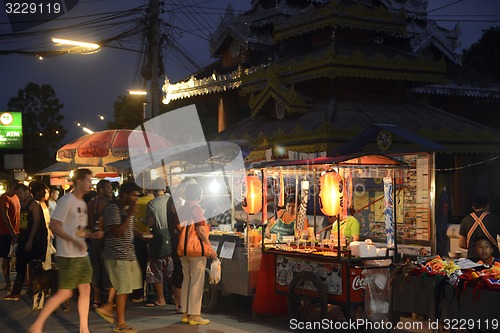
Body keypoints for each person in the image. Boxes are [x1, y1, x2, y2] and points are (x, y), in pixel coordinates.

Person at [28, 169, 103, 333]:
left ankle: (84, 329)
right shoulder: (66, 201)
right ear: (78, 182)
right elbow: (54, 225)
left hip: (82, 254)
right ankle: (37, 325)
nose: (90, 184)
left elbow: (77, 231)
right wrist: (72, 240)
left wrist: (91, 234)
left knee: (85, 290)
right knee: (65, 293)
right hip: (68, 255)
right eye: (88, 180)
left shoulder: (82, 204)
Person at [98, 182, 143, 333]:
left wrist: (141, 235)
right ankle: (120, 323)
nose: (136, 199)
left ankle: (108, 306)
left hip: (128, 253)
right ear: (124, 194)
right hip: (116, 254)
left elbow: (128, 228)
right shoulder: (113, 208)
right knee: (123, 289)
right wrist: (130, 214)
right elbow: (116, 231)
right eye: (134, 195)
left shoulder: (125, 208)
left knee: (128, 286)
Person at [176, 183, 217, 325]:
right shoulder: (196, 208)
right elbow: (200, 231)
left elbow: (179, 228)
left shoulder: (182, 208)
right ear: (198, 196)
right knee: (196, 283)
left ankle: (185, 314)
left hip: (183, 250)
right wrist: (210, 248)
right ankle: (195, 316)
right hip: (196, 251)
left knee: (186, 281)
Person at [4, 182, 48, 301]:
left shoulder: (33, 204)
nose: (19, 196)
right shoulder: (23, 205)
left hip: (34, 240)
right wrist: (19, 236)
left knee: (33, 266)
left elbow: (37, 222)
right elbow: (24, 224)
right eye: (17, 194)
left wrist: (30, 240)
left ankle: (32, 290)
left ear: (27, 192)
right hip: (25, 238)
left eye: (20, 193)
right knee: (22, 265)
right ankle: (23, 290)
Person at [87, 179, 115, 309]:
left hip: (93, 240)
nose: (111, 190)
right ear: (101, 189)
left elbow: (87, 224)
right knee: (109, 272)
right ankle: (109, 301)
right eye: (108, 187)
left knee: (96, 271)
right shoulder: (106, 203)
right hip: (105, 240)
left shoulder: (90, 204)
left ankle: (96, 299)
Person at [144, 179, 172, 307]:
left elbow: (151, 222)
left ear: (152, 190)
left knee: (157, 269)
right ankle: (175, 297)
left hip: (158, 238)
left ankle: (161, 299)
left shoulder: (152, 204)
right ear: (164, 189)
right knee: (171, 268)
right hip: (172, 237)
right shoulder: (172, 200)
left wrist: (144, 222)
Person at [0, 179, 20, 290]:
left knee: (15, 256)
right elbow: (4, 215)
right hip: (5, 233)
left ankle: (16, 280)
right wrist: (11, 231)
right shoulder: (4, 198)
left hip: (16, 231)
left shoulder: (16, 197)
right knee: (6, 257)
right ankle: (7, 282)